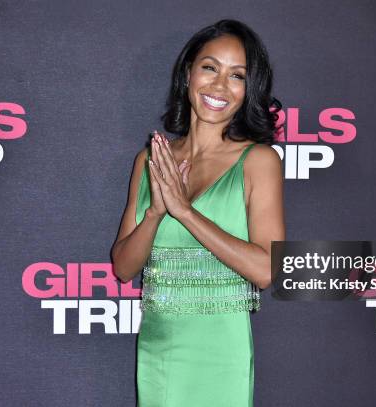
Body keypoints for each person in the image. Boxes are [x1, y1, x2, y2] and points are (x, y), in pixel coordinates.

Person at [112, 19, 285, 406]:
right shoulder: (151, 160)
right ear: (188, 72)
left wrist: (186, 212)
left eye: (237, 75)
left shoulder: (259, 161)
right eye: (210, 67)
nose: (220, 85)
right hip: (158, 352)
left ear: (248, 89)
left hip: (221, 353)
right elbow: (123, 267)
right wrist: (157, 212)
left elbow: (265, 270)